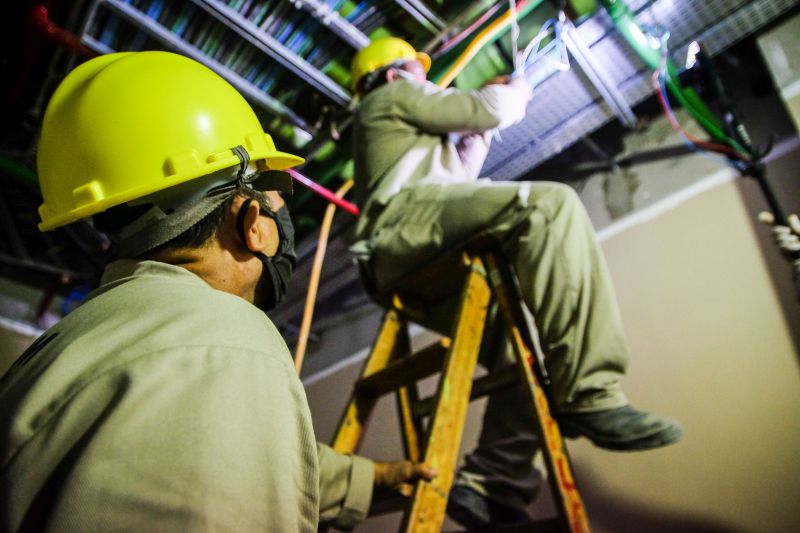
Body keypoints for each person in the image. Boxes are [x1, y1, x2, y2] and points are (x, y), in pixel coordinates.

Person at [0, 51, 434, 532]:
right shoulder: (226, 336)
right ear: (253, 226)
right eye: (276, 205)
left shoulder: (81, 343)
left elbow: (201, 447)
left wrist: (367, 479)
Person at [349, 37, 683, 528]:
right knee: (549, 207)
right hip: (402, 227)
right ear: (396, 75)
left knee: (515, 351)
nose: (425, 78)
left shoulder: (403, 130)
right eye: (417, 72)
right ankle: (591, 392)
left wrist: (478, 128)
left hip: (411, 245)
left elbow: (460, 177)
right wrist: (515, 90)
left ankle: (491, 483)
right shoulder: (390, 97)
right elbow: (490, 109)